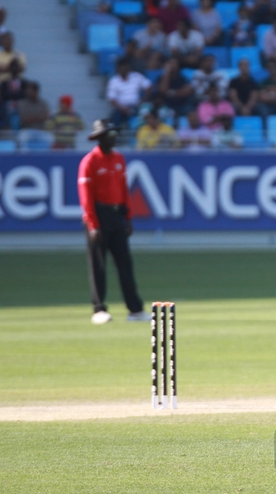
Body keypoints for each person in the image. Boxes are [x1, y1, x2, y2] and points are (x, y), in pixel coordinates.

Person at [78, 120, 151, 325]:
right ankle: (99, 309)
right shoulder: (89, 162)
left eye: (114, 134)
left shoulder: (119, 159)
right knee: (98, 265)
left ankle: (135, 310)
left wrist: (128, 217)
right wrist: (93, 224)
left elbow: (123, 191)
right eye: (110, 134)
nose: (114, 138)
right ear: (100, 138)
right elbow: (86, 197)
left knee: (125, 264)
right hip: (99, 215)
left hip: (117, 214)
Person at [106, 58, 152, 128]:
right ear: (118, 68)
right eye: (121, 66)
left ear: (129, 66)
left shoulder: (136, 76)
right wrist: (123, 109)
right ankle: (117, 137)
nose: (124, 68)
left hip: (137, 106)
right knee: (113, 119)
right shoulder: (114, 81)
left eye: (125, 65)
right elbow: (112, 99)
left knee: (147, 113)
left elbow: (149, 86)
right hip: (121, 108)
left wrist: (143, 100)